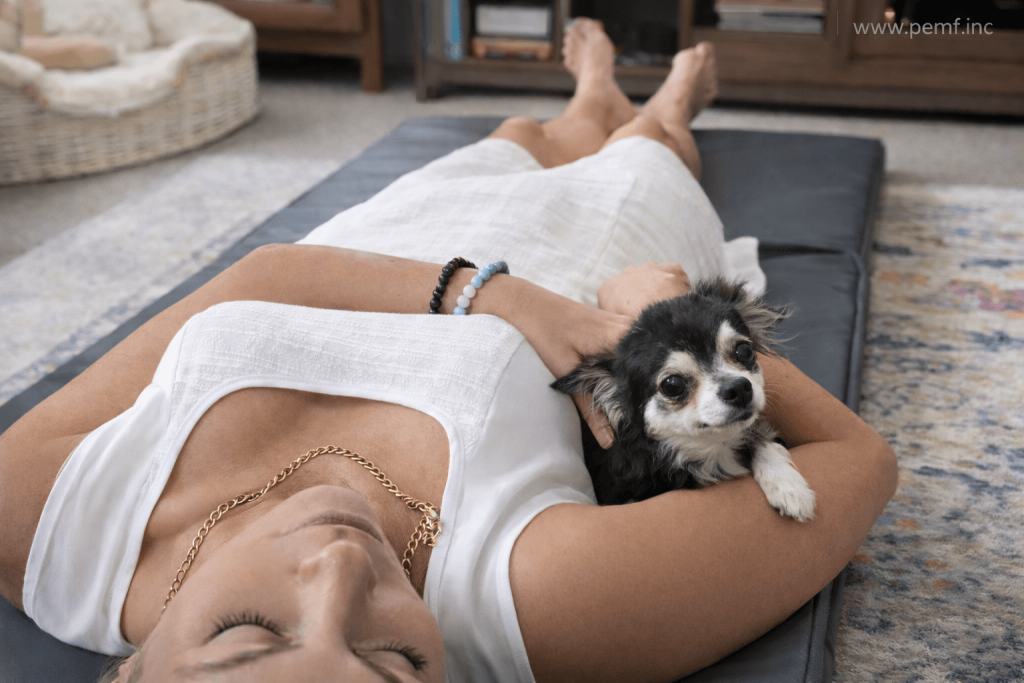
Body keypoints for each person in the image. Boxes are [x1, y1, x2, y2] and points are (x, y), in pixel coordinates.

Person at [0, 20, 897, 683]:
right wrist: (665, 311)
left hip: (377, 245)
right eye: (392, 659)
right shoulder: (549, 605)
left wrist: (484, 291)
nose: (343, 568)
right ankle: (664, 102)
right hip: (597, 272)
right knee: (644, 155)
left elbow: (269, 272)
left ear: (126, 675)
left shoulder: (35, 517)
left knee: (514, 142)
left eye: (245, 633)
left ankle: (587, 92)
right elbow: (859, 463)